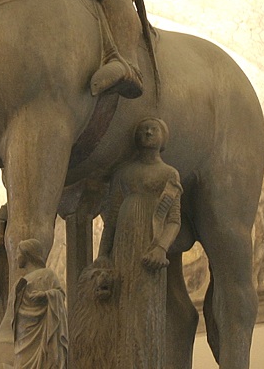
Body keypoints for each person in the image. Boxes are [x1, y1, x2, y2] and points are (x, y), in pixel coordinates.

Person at [97, 118, 182, 369]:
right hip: (124, 246)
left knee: (146, 310)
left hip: (149, 247)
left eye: (153, 128)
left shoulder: (169, 174)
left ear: (163, 138)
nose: (147, 131)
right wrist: (103, 256)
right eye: (143, 128)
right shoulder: (123, 174)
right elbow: (111, 218)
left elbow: (174, 220)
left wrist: (161, 247)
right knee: (122, 310)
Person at [12, 239, 68, 369]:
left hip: (43, 332)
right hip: (23, 335)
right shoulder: (19, 283)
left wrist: (44, 295)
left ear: (27, 254)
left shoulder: (48, 275)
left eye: (18, 253)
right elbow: (13, 316)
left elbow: (60, 295)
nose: (16, 258)